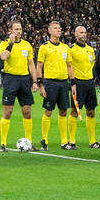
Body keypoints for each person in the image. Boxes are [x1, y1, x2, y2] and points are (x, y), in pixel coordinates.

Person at [0, 19, 35, 152]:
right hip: (10, 79)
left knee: (27, 111)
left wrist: (35, 81)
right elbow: (3, 57)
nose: (19, 31)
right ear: (11, 31)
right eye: (16, 29)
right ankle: (3, 143)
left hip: (24, 79)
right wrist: (11, 43)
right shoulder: (4, 44)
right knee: (8, 111)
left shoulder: (27, 45)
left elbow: (31, 64)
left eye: (20, 29)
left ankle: (29, 142)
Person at [35, 20, 72, 151]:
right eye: (55, 28)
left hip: (63, 83)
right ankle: (44, 139)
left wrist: (72, 83)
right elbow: (39, 66)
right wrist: (40, 84)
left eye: (59, 28)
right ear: (50, 31)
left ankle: (64, 141)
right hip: (50, 83)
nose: (58, 30)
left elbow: (69, 66)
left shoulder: (65, 47)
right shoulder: (44, 47)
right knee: (48, 111)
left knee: (63, 111)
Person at [67, 24, 99, 149]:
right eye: (81, 32)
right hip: (78, 83)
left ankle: (92, 141)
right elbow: (69, 66)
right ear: (75, 34)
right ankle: (72, 141)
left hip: (89, 83)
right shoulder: (71, 49)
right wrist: (72, 82)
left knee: (91, 112)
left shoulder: (90, 49)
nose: (83, 34)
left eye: (85, 32)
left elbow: (92, 65)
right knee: (75, 111)